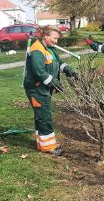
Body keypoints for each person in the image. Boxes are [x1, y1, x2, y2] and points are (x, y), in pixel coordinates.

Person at [23, 25, 77, 156]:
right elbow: (39, 72)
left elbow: (58, 62)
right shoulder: (37, 50)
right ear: (45, 36)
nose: (56, 41)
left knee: (41, 115)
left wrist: (68, 70)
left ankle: (42, 143)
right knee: (44, 116)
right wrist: (55, 83)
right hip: (36, 88)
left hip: (43, 88)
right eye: (54, 38)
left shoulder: (49, 49)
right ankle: (48, 147)